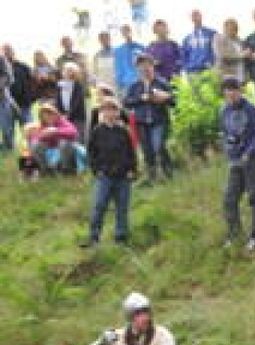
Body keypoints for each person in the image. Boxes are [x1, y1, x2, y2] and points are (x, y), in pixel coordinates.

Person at [219, 77, 255, 251]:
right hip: (234, 161)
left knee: (254, 197)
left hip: (251, 160)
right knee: (229, 199)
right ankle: (235, 234)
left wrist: (249, 152)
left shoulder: (251, 110)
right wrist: (228, 150)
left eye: (234, 89)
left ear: (240, 91)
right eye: (228, 90)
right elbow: (224, 133)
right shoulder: (223, 111)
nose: (231, 93)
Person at [85, 97, 137, 248]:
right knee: (99, 205)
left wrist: (132, 170)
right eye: (106, 109)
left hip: (123, 176)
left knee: (122, 207)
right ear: (102, 112)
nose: (110, 113)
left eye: (113, 109)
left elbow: (131, 152)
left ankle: (121, 237)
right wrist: (96, 170)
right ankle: (94, 237)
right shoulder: (97, 131)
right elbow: (91, 153)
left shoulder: (123, 131)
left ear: (118, 112)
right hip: (105, 175)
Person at [124, 53, 174, 184]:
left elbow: (173, 101)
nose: (145, 69)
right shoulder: (134, 86)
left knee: (159, 146)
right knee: (147, 150)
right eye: (141, 66)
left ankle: (168, 173)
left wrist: (165, 98)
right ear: (137, 69)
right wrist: (141, 98)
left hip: (159, 121)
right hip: (141, 123)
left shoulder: (162, 82)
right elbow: (126, 102)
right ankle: (152, 176)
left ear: (152, 66)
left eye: (147, 65)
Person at [29, 104, 81, 175]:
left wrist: (56, 131)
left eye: (50, 115)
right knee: (35, 145)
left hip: (66, 148)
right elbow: (34, 137)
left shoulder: (62, 121)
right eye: (45, 117)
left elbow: (74, 132)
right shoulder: (42, 125)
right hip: (51, 149)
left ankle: (67, 169)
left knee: (64, 144)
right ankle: (44, 169)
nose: (48, 118)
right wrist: (42, 135)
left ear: (54, 114)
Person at [56, 63, 88, 142]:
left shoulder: (78, 86)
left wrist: (68, 114)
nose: (68, 73)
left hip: (77, 116)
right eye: (66, 71)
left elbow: (76, 102)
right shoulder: (60, 85)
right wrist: (60, 114)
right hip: (63, 115)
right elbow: (58, 100)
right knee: (64, 139)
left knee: (78, 138)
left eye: (71, 71)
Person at [180, 10, 217, 77]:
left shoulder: (211, 34)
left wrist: (211, 63)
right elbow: (184, 55)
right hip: (192, 71)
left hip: (208, 70)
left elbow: (216, 51)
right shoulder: (187, 38)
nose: (195, 18)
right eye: (193, 16)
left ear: (201, 16)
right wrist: (187, 68)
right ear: (191, 19)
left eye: (197, 15)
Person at [113, 25, 145, 95]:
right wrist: (119, 83)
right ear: (121, 34)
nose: (126, 33)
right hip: (125, 83)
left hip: (140, 81)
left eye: (127, 30)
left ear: (131, 31)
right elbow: (117, 67)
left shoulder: (141, 47)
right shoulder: (118, 50)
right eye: (123, 31)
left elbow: (145, 65)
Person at [213, 19, 247, 86]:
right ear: (225, 28)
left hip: (240, 76)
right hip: (226, 75)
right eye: (231, 28)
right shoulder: (219, 39)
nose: (234, 30)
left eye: (235, 28)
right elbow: (223, 55)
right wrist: (242, 55)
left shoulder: (239, 41)